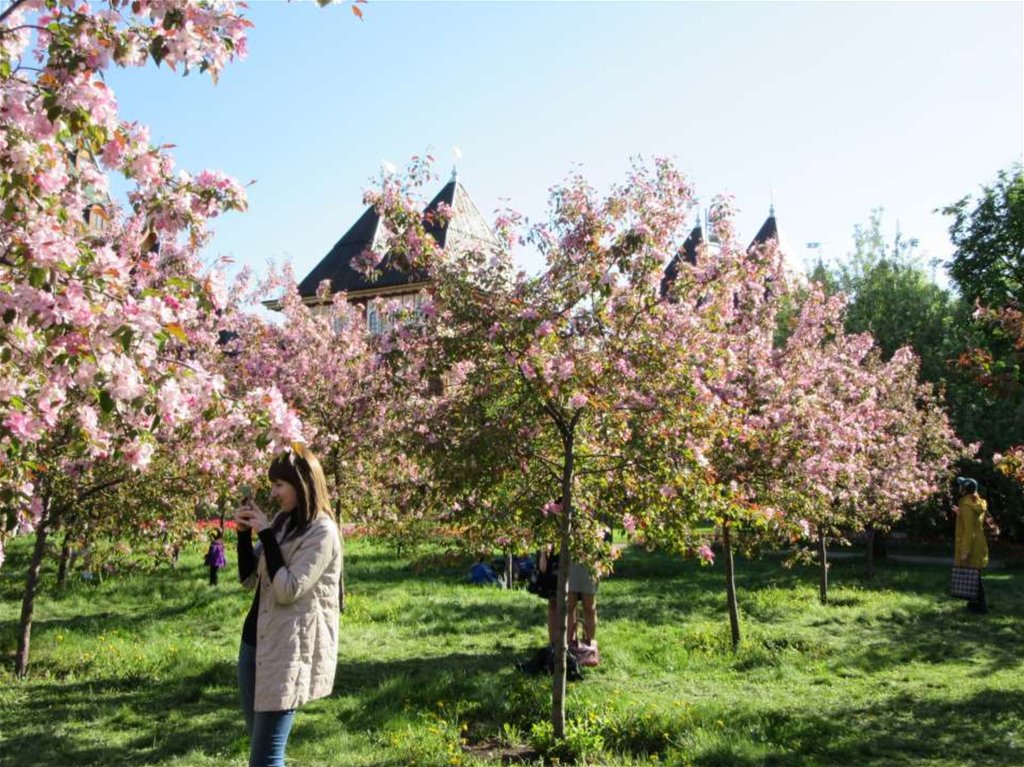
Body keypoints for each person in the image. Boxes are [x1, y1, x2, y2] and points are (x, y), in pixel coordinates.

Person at [234, 444, 342, 767]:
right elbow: (248, 577)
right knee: (261, 751)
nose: (274, 492)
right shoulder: (283, 522)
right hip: (254, 646)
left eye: (279, 485)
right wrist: (243, 535)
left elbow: (288, 589)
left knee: (264, 759)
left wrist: (266, 533)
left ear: (301, 483)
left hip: (287, 652)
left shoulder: (322, 532)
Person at [953, 476, 990, 614]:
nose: (959, 487)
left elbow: (968, 531)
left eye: (961, 485)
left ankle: (981, 607)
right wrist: (961, 513)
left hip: (971, 544)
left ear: (965, 489)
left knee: (974, 577)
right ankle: (974, 605)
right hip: (978, 543)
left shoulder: (967, 506)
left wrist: (964, 551)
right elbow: (974, 523)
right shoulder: (976, 502)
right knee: (974, 575)